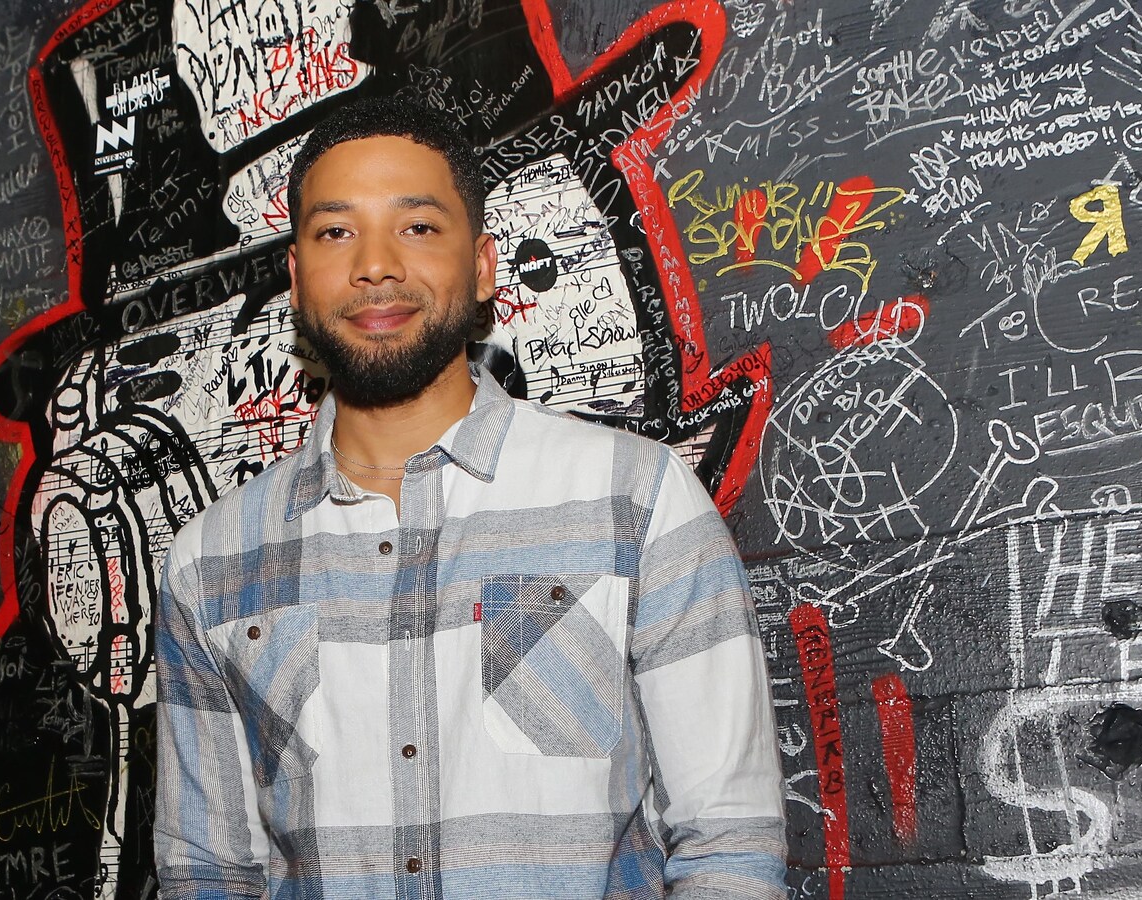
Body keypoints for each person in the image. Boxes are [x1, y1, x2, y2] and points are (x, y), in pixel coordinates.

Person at [153, 95, 787, 899]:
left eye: (417, 226)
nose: (375, 263)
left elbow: (729, 845)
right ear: (297, 279)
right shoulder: (211, 561)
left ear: (483, 265)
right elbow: (208, 871)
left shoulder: (637, 499)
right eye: (336, 231)